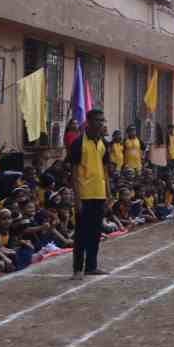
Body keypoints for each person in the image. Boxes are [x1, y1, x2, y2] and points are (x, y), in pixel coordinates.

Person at [67, 109, 111, 280]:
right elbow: (73, 172)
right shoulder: (78, 143)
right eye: (98, 120)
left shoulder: (103, 143)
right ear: (89, 122)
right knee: (81, 234)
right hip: (84, 195)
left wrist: (108, 193)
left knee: (95, 232)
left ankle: (91, 266)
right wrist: (77, 198)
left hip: (99, 194)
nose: (101, 123)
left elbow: (105, 170)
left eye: (102, 120)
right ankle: (77, 268)